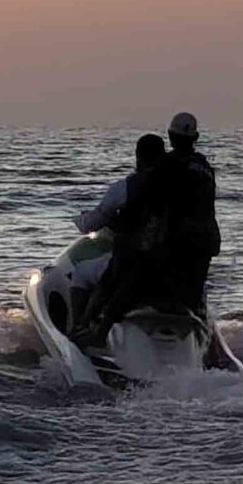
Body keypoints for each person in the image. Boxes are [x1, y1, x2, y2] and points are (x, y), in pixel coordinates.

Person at [71, 133, 168, 343]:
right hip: (169, 265)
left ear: (138, 157)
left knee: (81, 273)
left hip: (135, 263)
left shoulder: (125, 188)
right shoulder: (179, 187)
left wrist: (78, 218)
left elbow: (90, 225)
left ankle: (78, 328)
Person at [160, 110, 222, 316]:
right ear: (195, 138)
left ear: (170, 137)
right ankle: (194, 320)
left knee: (171, 285)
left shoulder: (167, 164)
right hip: (207, 237)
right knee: (194, 288)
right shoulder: (205, 166)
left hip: (180, 237)